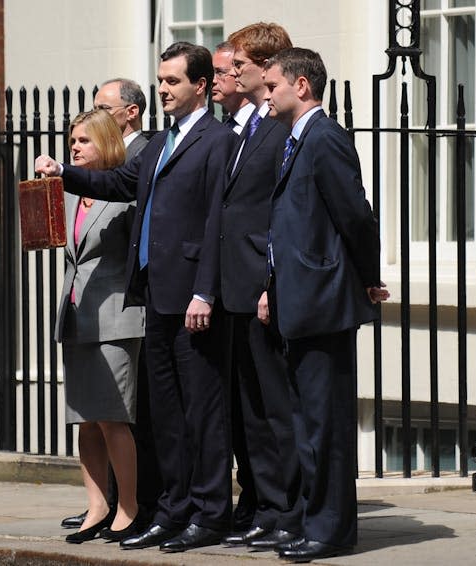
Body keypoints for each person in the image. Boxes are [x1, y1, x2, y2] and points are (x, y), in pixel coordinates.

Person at [35, 42, 237, 553]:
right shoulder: (162, 142)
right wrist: (65, 173)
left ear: (201, 86)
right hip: (156, 296)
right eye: (161, 80)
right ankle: (172, 510)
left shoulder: (217, 141)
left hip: (193, 298)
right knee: (165, 416)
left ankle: (209, 513)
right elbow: (123, 181)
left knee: (202, 412)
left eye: (172, 81)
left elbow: (218, 222)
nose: (164, 89)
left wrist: (205, 291)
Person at [259, 47, 389, 562]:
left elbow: (355, 216)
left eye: (272, 86)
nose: (266, 95)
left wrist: (369, 276)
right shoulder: (295, 140)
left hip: (324, 301)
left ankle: (331, 530)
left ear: (302, 87)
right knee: (305, 424)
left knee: (326, 423)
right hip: (298, 300)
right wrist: (272, 286)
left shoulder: (325, 137)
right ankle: (313, 521)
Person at [217, 22, 303, 551]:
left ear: (265, 64)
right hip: (235, 287)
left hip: (262, 287)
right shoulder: (247, 127)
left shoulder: (277, 127)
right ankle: (266, 506)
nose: (231, 68)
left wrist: (270, 281)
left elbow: (278, 213)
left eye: (240, 62)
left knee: (276, 409)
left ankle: (288, 510)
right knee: (251, 410)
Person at [61, 78, 161, 532]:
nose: (75, 149)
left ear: (104, 142)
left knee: (113, 419)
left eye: (83, 141)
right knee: (84, 420)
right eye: (71, 142)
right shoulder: (67, 195)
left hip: (117, 318)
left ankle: (129, 507)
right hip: (76, 317)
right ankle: (96, 506)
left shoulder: (124, 195)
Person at [211, 39, 257, 535]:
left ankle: (266, 501)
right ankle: (248, 498)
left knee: (258, 406)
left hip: (251, 287)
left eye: (230, 70)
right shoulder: (226, 132)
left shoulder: (264, 131)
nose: (225, 79)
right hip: (221, 288)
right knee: (235, 405)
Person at [212, 41, 255, 134]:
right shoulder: (225, 128)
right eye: (212, 73)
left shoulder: (260, 123)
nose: (213, 80)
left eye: (220, 72)